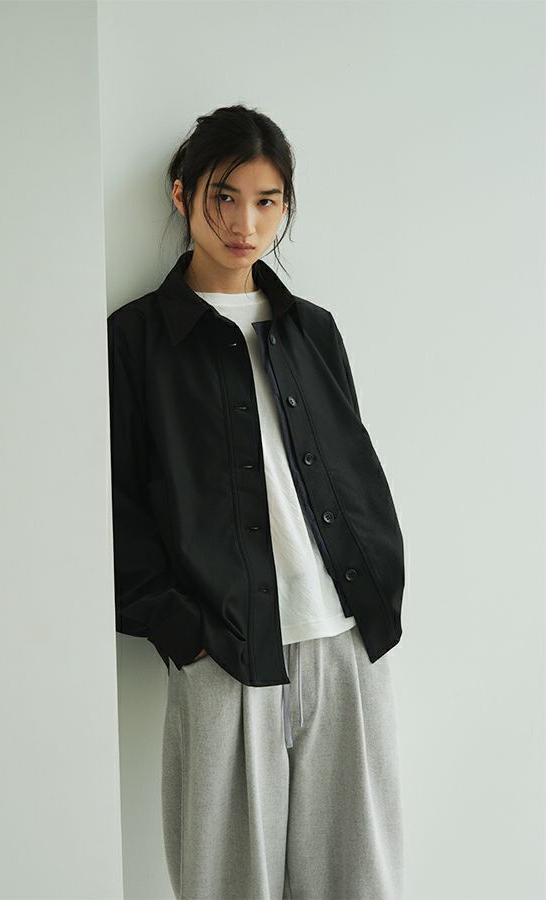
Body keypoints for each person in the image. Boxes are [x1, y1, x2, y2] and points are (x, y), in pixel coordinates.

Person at [107, 103, 405, 900]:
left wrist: (379, 583)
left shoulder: (313, 331)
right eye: (225, 197)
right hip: (225, 653)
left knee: (359, 884)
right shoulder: (136, 342)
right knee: (227, 886)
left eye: (267, 201)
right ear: (182, 196)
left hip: (341, 640)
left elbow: (353, 470)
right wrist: (181, 632)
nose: (246, 223)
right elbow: (117, 505)